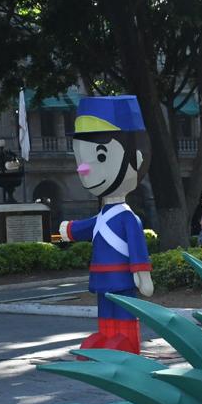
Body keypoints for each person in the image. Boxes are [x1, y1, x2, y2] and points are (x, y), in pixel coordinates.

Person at [58, 96, 153, 354]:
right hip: (103, 277)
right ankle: (106, 336)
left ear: (136, 158)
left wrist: (142, 274)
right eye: (81, 156)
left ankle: (126, 340)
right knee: (105, 308)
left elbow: (136, 247)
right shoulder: (102, 216)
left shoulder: (127, 217)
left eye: (99, 155)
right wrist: (66, 231)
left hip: (122, 277)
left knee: (123, 308)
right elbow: (85, 228)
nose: (84, 168)